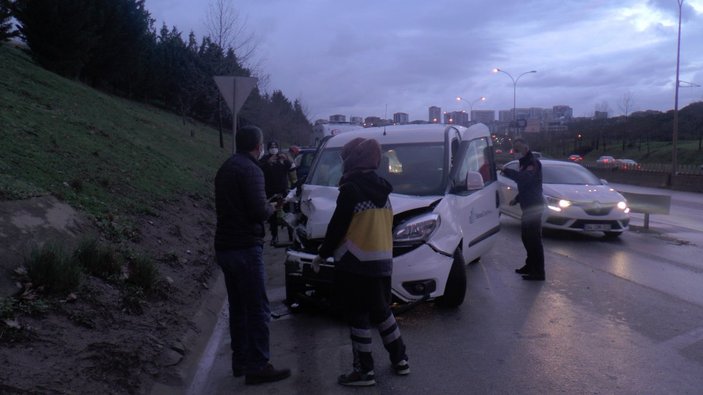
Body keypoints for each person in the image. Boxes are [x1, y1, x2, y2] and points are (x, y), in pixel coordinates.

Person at [312, 137, 409, 387]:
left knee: (358, 316)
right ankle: (400, 359)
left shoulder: (350, 190)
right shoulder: (384, 192)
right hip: (381, 262)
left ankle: (364, 371)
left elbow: (337, 227)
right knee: (382, 312)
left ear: (351, 161)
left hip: (355, 263)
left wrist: (322, 253)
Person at [214, 125, 291, 385]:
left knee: (238, 307)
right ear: (257, 146)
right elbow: (258, 211)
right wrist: (272, 207)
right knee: (258, 308)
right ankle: (258, 365)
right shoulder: (252, 170)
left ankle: (240, 361)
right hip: (245, 246)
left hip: (225, 246)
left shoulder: (226, 167)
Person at [500, 137, 545, 281]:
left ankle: (538, 272)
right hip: (528, 205)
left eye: (518, 149)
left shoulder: (532, 163)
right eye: (514, 149)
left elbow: (524, 179)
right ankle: (529, 265)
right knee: (526, 238)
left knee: (533, 239)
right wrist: (517, 199)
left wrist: (506, 171)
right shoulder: (524, 163)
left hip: (534, 206)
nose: (515, 152)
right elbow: (527, 186)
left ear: (526, 148)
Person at [259, 141, 296, 246]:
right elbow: (258, 168)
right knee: (273, 217)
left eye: (275, 146)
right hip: (270, 192)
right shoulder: (265, 159)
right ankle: (274, 237)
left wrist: (286, 159)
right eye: (271, 147)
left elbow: (292, 168)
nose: (273, 148)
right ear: (268, 148)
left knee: (287, 214)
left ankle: (290, 235)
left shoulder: (282, 158)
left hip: (283, 191)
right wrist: (268, 162)